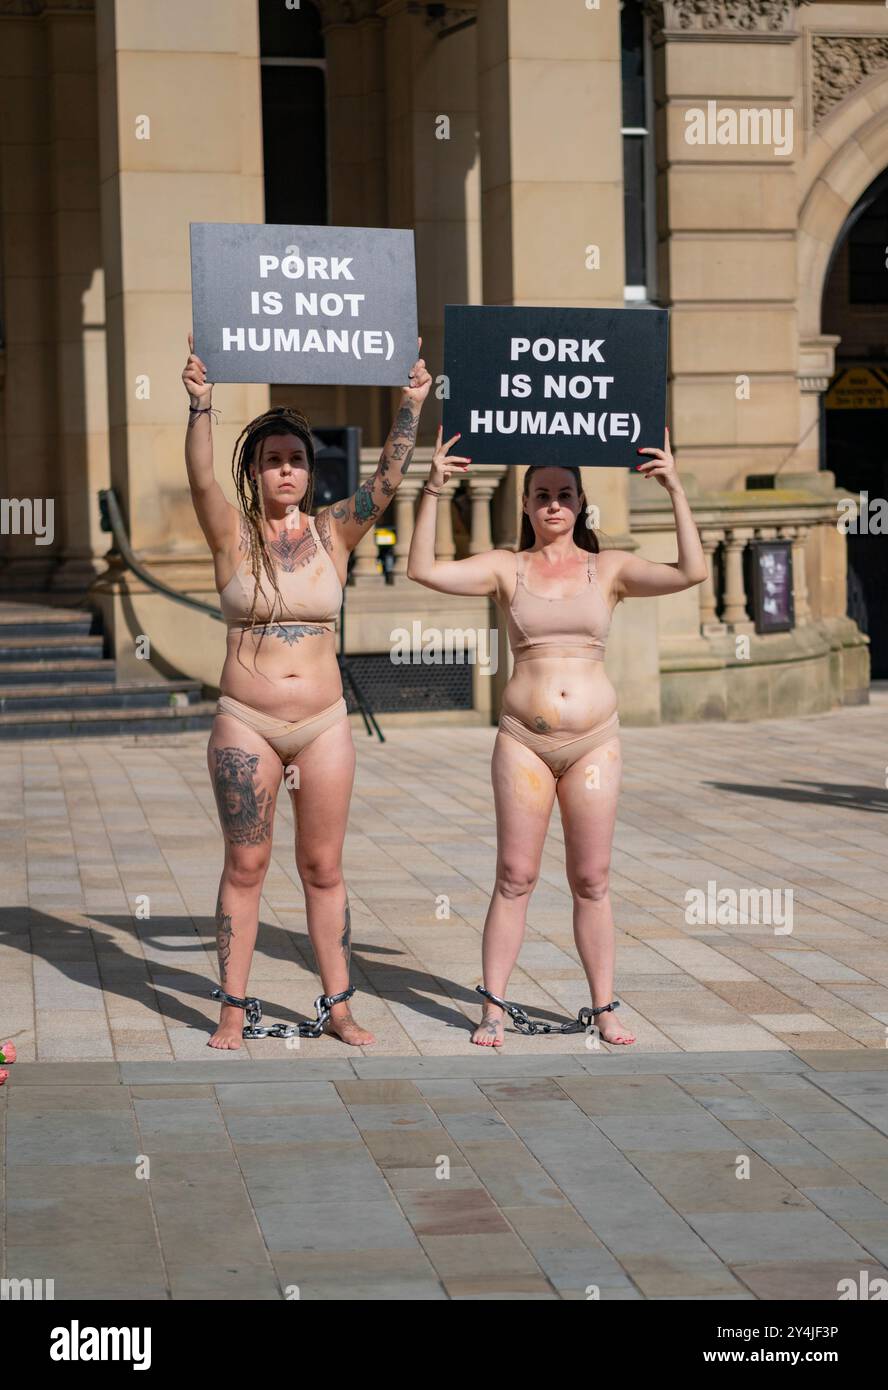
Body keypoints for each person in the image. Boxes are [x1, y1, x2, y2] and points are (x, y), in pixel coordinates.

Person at [407, 427, 707, 1047]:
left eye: (563, 493)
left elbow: (692, 572)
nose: (552, 504)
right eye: (541, 493)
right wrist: (433, 488)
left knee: (592, 878)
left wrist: (676, 486)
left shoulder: (611, 568)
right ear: (525, 503)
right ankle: (492, 1007)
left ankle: (605, 1007)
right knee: (515, 874)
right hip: (525, 741)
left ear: (580, 502)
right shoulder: (505, 567)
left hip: (594, 741)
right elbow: (422, 570)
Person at [183, 334, 431, 1047]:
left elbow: (386, 481)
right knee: (247, 863)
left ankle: (340, 1005)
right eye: (271, 460)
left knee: (323, 866)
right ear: (255, 471)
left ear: (310, 471)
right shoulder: (231, 535)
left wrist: (410, 405)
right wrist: (202, 404)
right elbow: (200, 477)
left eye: (295, 459)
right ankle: (233, 1007)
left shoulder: (335, 533)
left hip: (323, 723)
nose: (284, 470)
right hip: (246, 724)